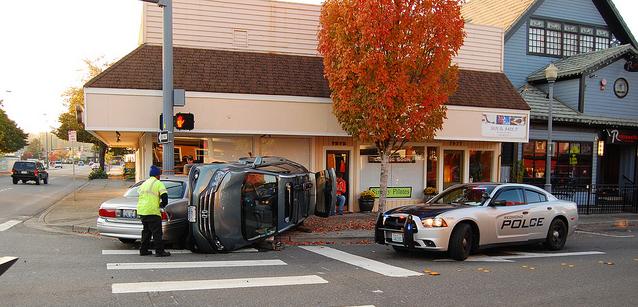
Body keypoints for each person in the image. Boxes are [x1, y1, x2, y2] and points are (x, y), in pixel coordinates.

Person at [137, 165, 171, 257]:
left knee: (146, 231)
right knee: (157, 232)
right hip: (152, 211)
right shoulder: (158, 183)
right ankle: (159, 251)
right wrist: (163, 205)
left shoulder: (144, 183)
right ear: (157, 176)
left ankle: (143, 250)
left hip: (142, 210)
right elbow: (164, 195)